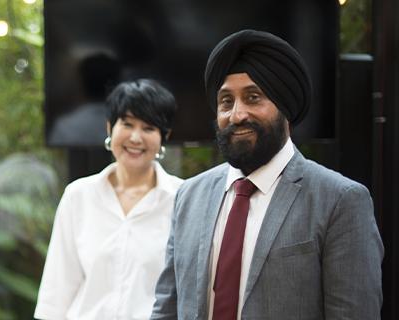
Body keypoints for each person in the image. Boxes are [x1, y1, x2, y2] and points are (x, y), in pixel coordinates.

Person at [151, 29, 383, 320]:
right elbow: (167, 308)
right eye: (226, 101)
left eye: (253, 97)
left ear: (285, 107)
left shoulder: (340, 201)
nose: (237, 115)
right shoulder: (189, 195)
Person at [35, 79, 183, 319]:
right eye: (127, 124)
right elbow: (57, 289)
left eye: (148, 128)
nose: (135, 137)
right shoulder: (78, 196)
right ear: (109, 128)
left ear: (164, 136)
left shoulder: (182, 199)